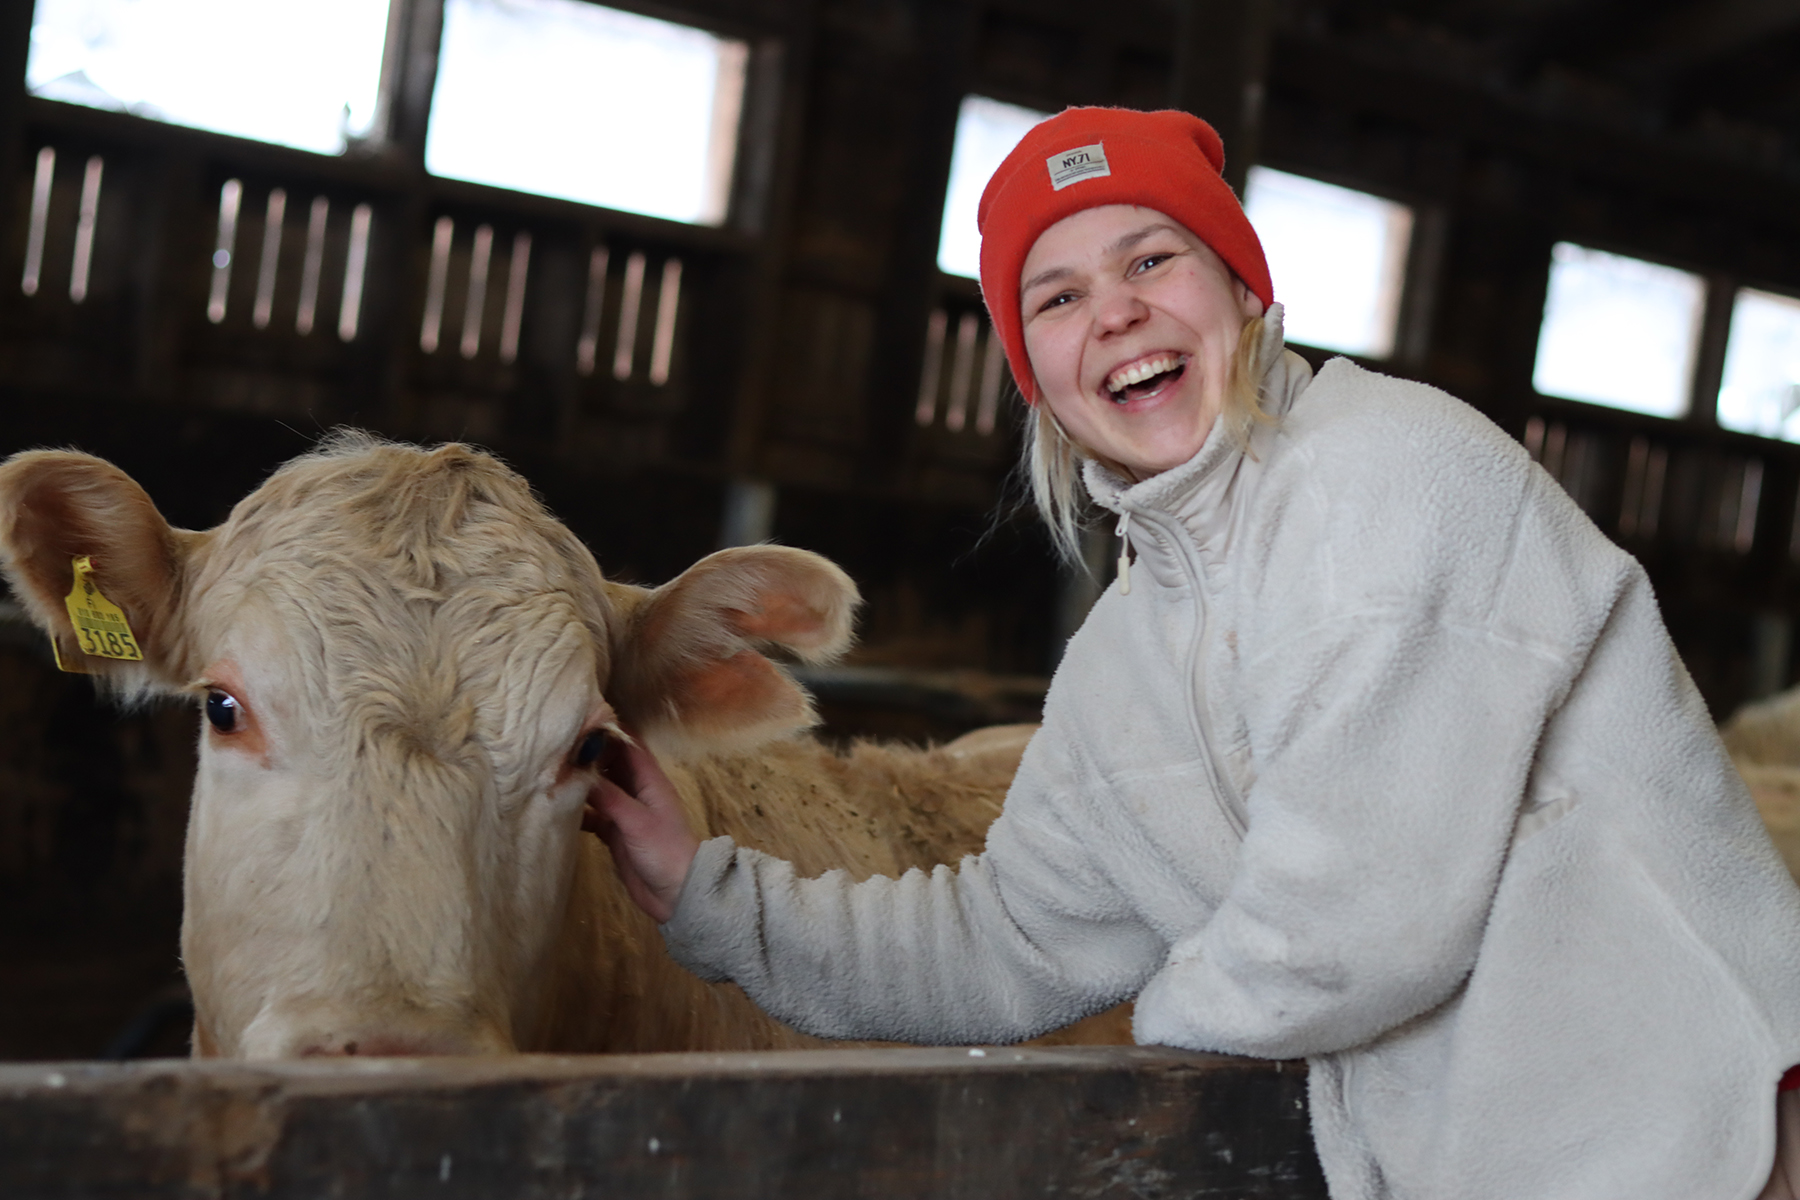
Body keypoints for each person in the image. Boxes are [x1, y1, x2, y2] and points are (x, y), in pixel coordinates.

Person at [588, 106, 1800, 1200]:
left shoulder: (1392, 472)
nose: (1113, 310)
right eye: (1056, 297)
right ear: (1040, 381)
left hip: (1716, 1138)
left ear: (1244, 289)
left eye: (1151, 260)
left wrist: (1152, 1029)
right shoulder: (1124, 659)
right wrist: (710, 896)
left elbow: (1355, 930)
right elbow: (1003, 940)